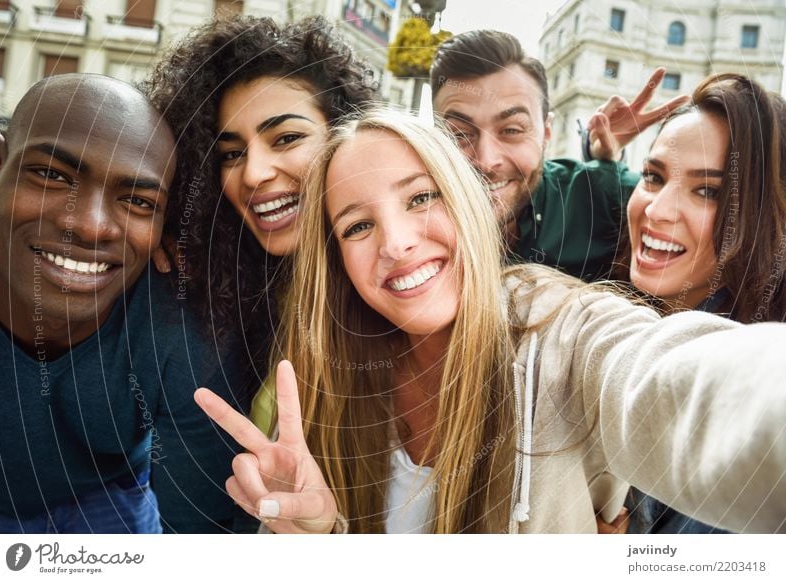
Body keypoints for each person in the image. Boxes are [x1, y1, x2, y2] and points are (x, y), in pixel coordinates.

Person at [194, 108, 786, 534]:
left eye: (422, 197)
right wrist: (320, 538)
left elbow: (670, 381)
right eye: (357, 225)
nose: (397, 243)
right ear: (338, 263)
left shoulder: (562, 327)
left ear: (471, 200)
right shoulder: (327, 381)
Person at [0, 74, 246, 533]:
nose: (89, 225)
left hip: (109, 501)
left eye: (139, 202)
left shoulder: (185, 328)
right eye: (51, 175)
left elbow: (195, 536)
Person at [143, 14, 379, 386]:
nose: (254, 174)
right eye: (231, 154)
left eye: (286, 138)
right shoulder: (208, 288)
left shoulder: (400, 284)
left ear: (345, 134)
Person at [616, 73, 786, 534]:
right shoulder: (623, 319)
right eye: (652, 177)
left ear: (766, 214)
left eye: (707, 191)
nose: (655, 210)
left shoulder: (754, 397)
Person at [430, 30, 688, 280]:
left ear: (546, 132)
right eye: (460, 134)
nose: (486, 161)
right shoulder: (412, 218)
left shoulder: (595, 195)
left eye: (511, 130)